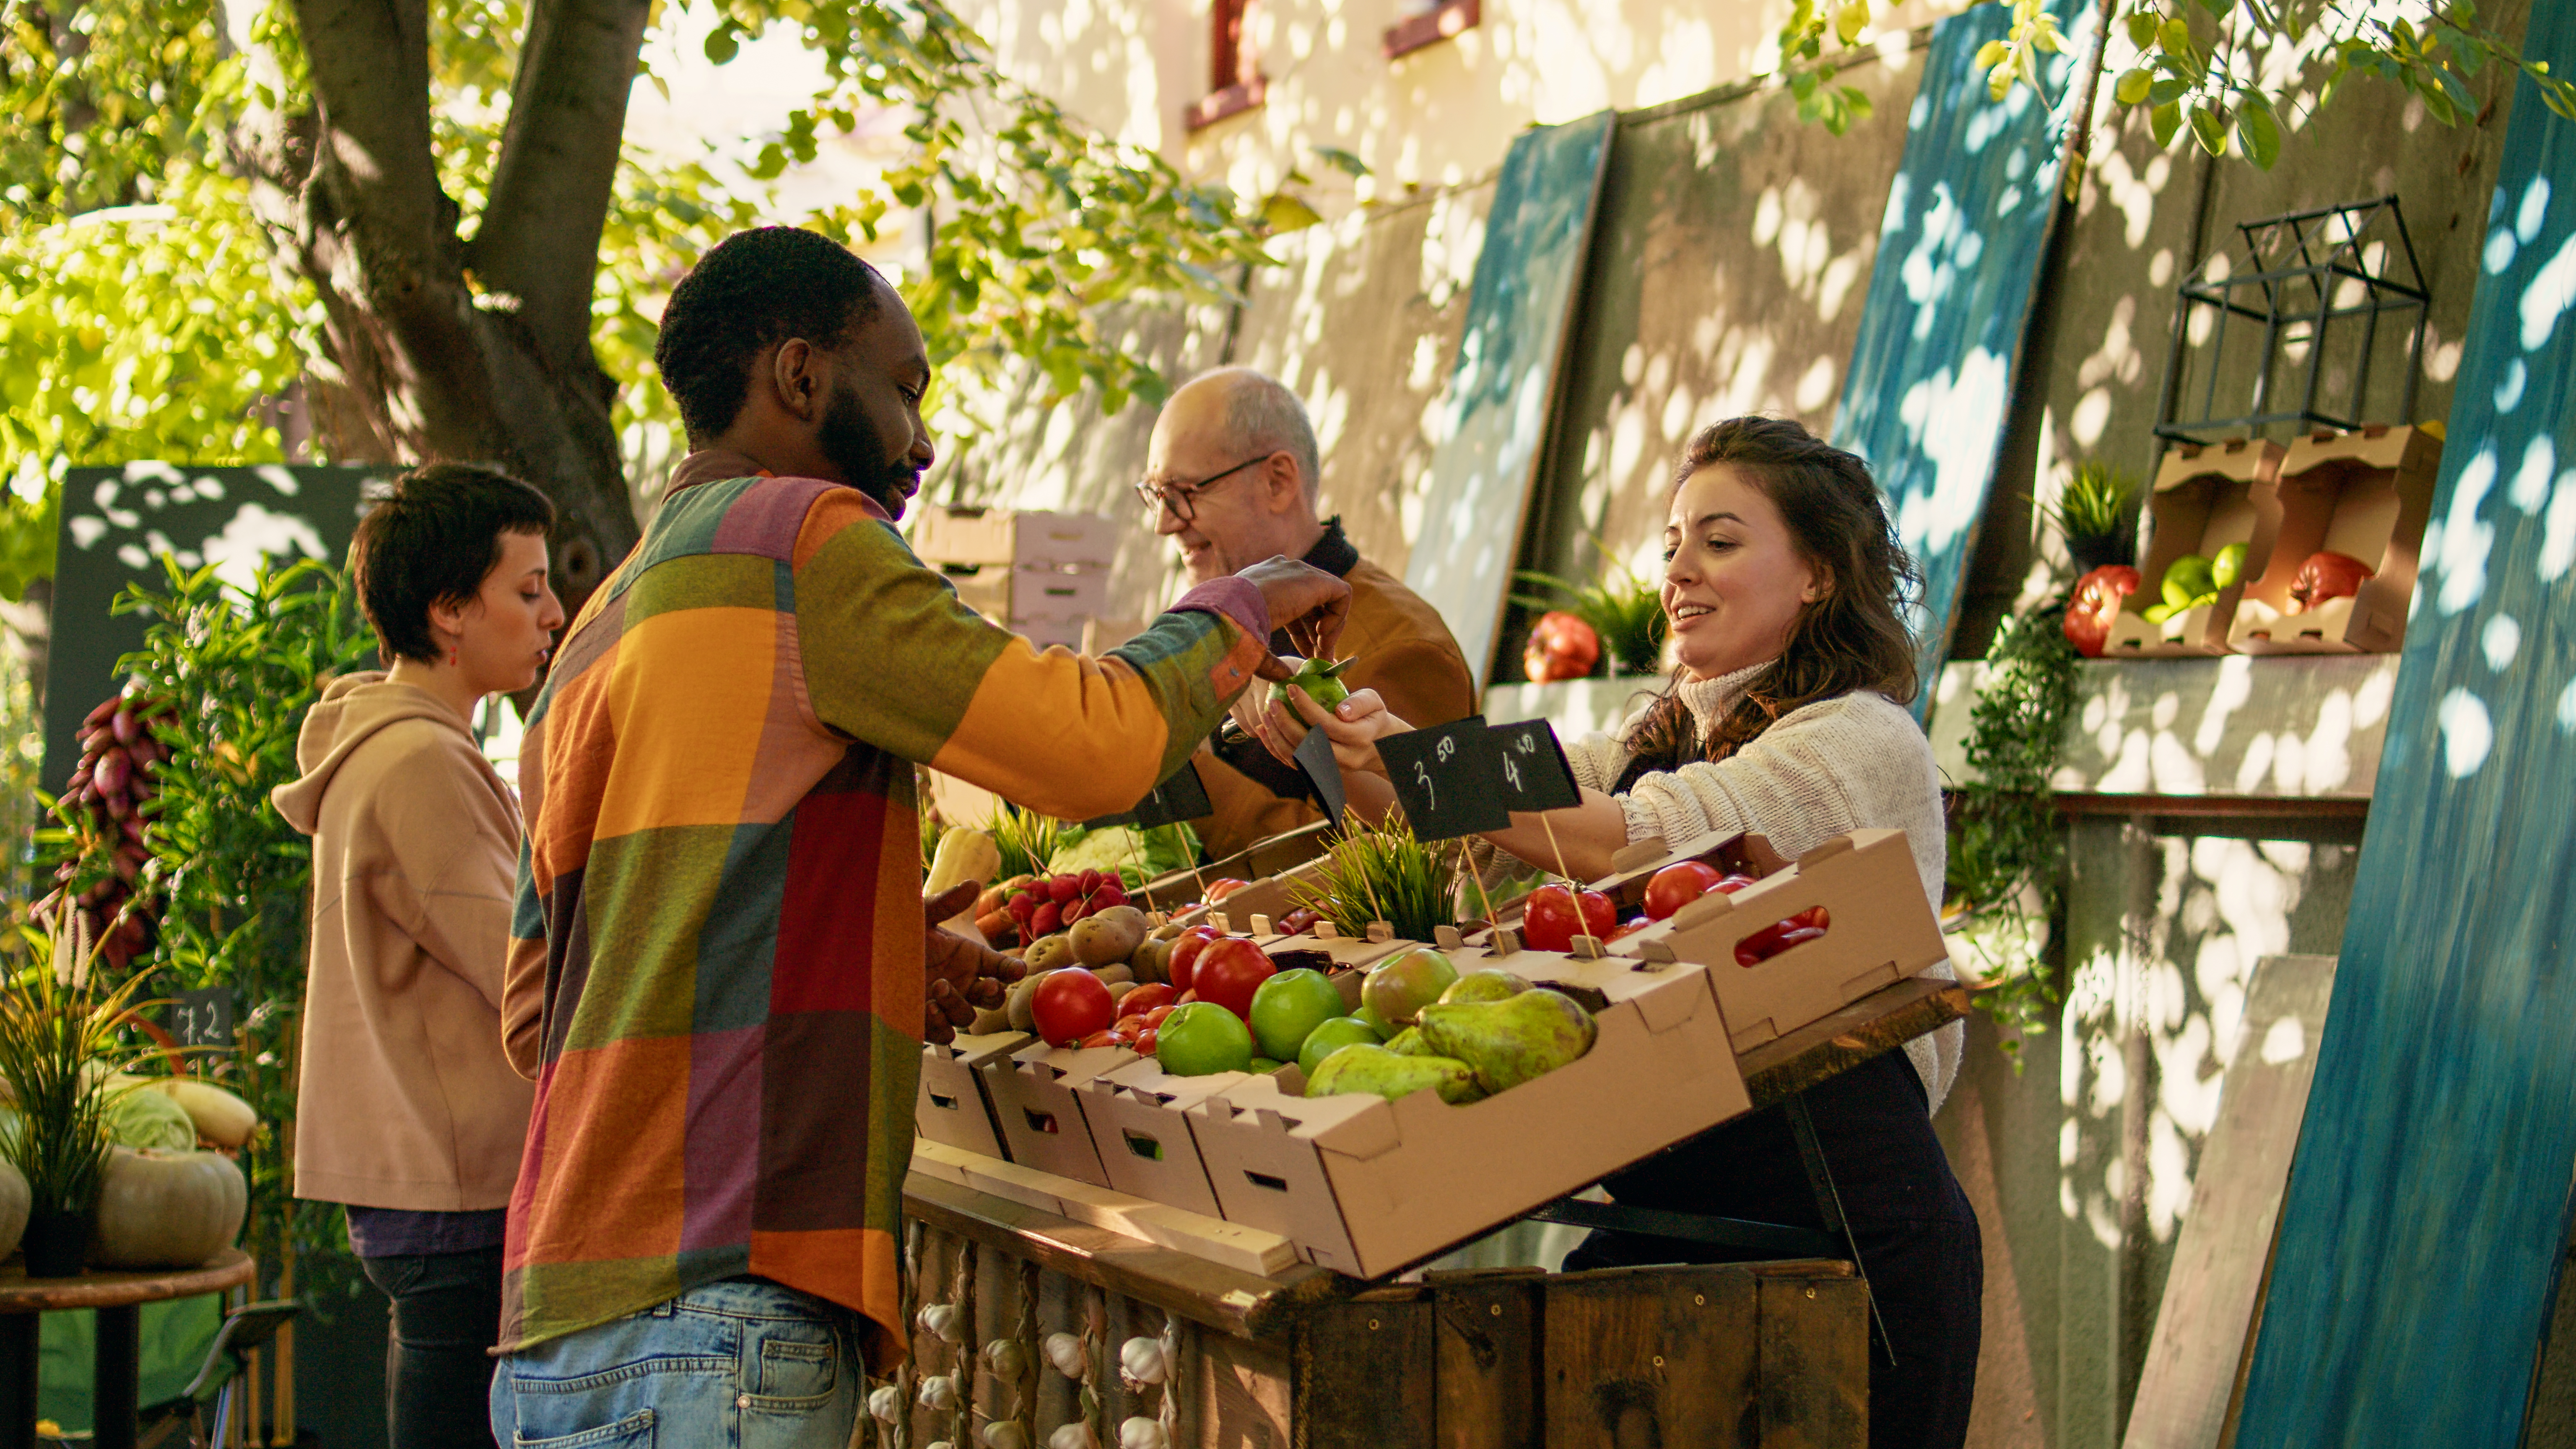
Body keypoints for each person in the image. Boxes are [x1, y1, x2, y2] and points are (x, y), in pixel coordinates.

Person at [487, 226, 1351, 1449]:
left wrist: (876, 947)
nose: (922, 440)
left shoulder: (594, 631)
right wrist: (1238, 605)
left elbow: (542, 1010)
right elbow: (1092, 744)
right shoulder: (802, 538)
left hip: (551, 1328)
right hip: (726, 1303)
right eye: (903, 388)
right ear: (798, 377)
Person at [1271, 415, 1980, 1449]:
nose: (1676, 571)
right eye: (1670, 544)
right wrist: (1348, 743)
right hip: (1678, 1227)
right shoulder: (1655, 735)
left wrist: (1420, 759)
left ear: (1819, 574)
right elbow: (1533, 794)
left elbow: (1640, 834)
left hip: (1849, 1246)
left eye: (1719, 541)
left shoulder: (1859, 739)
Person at [272, 462, 567, 1449]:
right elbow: (521, 968)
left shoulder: (396, 746)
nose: (553, 612)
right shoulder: (422, 761)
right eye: (526, 589)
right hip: (458, 1186)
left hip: (426, 1183)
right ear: (448, 609)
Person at [1140, 366, 1475, 860]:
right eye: (1154, 495)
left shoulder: (1402, 646)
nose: (1163, 524)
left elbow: (1399, 863)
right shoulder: (1227, 620)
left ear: (1278, 482)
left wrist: (1182, 775)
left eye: (1184, 494)